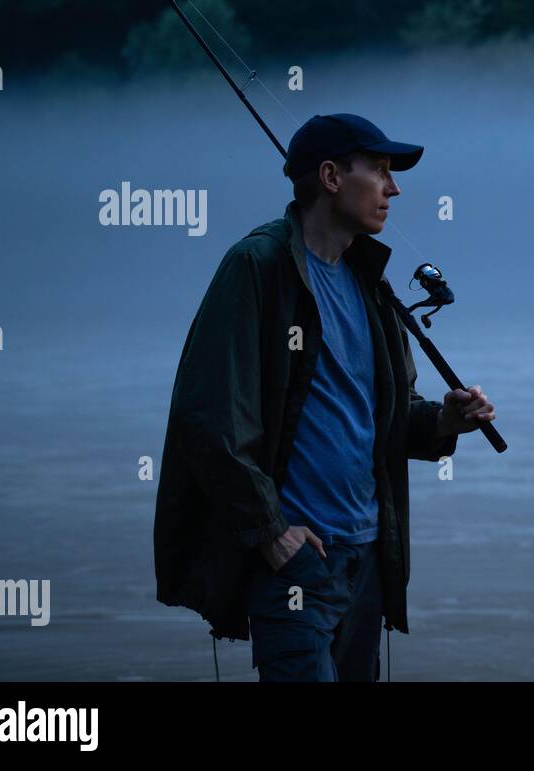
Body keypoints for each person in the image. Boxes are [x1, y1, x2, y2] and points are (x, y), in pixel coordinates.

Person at [153, 113, 495, 681]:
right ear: (332, 177)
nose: (394, 188)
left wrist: (442, 422)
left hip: (368, 557)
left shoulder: (371, 283)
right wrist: (270, 532)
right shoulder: (257, 267)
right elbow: (210, 417)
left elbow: (387, 416)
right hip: (298, 561)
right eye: (381, 170)